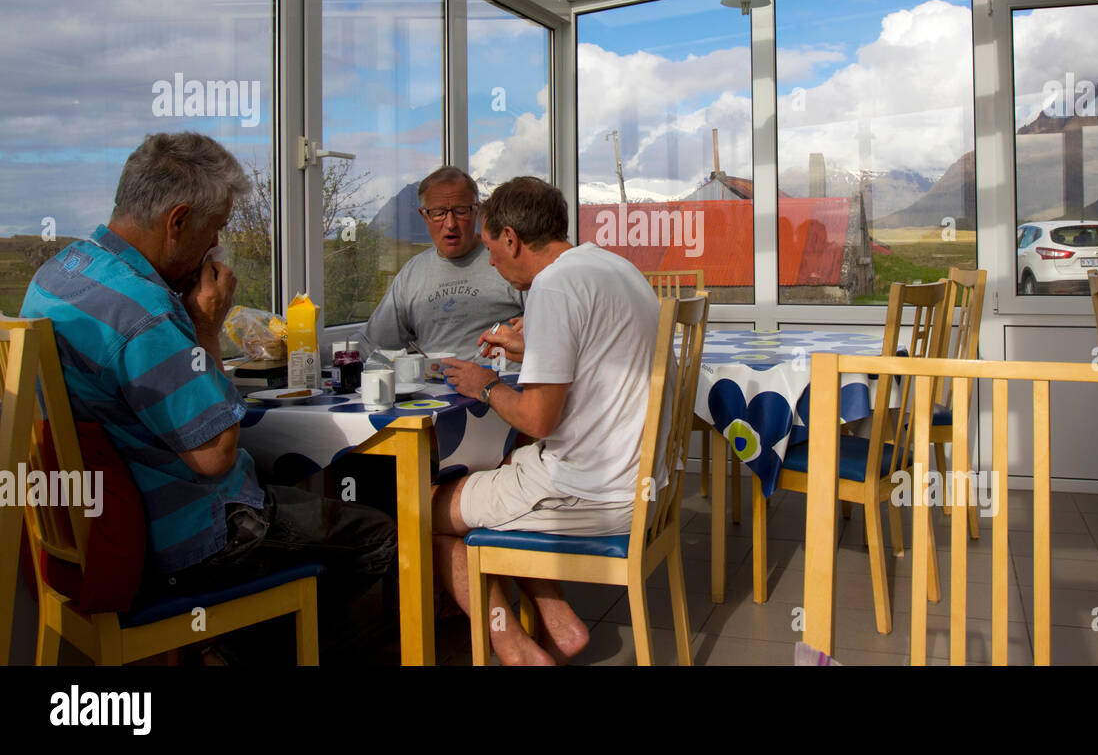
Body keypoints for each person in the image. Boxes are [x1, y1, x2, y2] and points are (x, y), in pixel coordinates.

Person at [21, 132, 396, 657]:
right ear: (177, 222)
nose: (215, 248)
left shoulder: (57, 275)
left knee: (289, 481)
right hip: (182, 543)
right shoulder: (144, 311)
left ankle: (236, 645)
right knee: (378, 536)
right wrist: (205, 329)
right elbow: (215, 455)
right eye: (215, 229)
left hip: (84, 532)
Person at [434, 176, 667, 665]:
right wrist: (531, 344)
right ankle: (560, 626)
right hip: (643, 481)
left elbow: (538, 419)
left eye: (493, 248)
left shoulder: (553, 285)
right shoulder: (610, 266)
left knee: (425, 511)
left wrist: (484, 385)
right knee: (506, 474)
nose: (493, 263)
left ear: (512, 238)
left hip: (595, 492)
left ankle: (516, 650)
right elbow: (600, 346)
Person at [355, 166, 523, 362]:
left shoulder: (507, 261)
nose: (450, 223)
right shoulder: (413, 273)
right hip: (433, 389)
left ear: (476, 210)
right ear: (424, 215)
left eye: (461, 211)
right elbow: (373, 342)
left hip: (499, 386)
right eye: (438, 213)